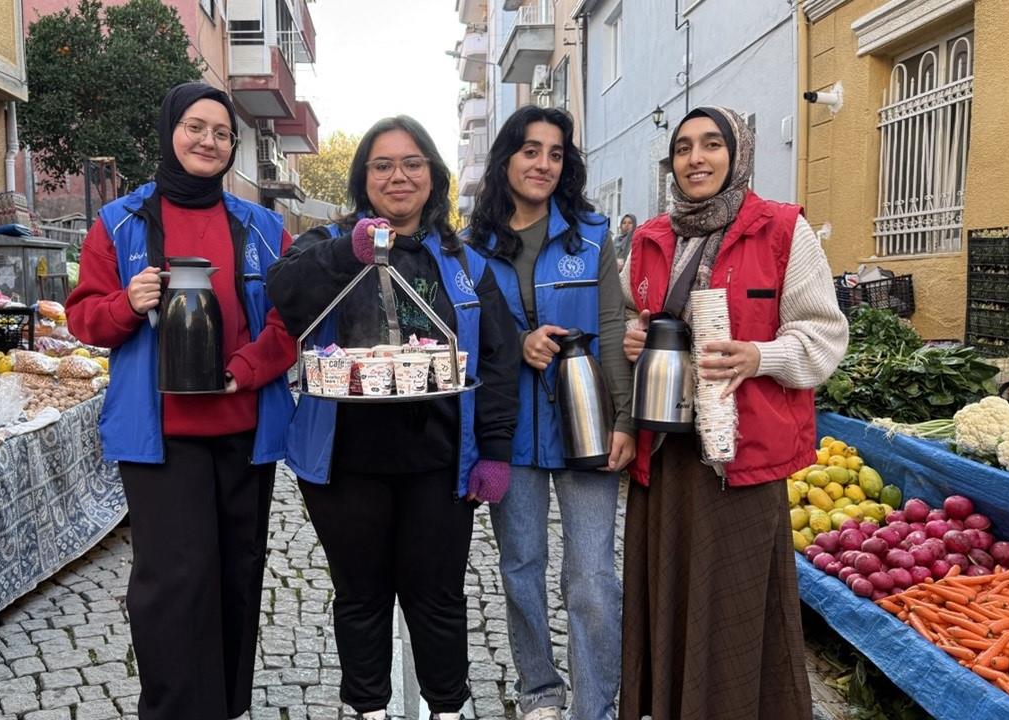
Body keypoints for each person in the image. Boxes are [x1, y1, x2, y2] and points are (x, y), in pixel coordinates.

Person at [266, 116, 520, 720]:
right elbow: (282, 291)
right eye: (382, 165)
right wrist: (343, 250)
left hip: (439, 460)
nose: (398, 176)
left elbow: (499, 361)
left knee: (437, 597)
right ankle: (367, 709)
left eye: (412, 163)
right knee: (361, 596)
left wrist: (496, 449)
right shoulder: (327, 241)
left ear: (433, 175)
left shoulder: (464, 263)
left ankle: (447, 708)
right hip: (343, 460)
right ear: (363, 178)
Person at [65, 82, 297, 720]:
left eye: (222, 134)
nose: (209, 141)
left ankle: (225, 706)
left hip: (244, 427)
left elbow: (288, 324)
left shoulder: (262, 226)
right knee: (173, 583)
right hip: (159, 434)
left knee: (237, 572)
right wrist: (125, 303)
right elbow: (84, 320)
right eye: (197, 127)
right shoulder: (120, 223)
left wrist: (246, 369)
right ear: (170, 131)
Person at [619, 106, 847, 719]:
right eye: (685, 146)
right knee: (673, 599)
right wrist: (634, 339)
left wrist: (758, 355)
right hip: (667, 459)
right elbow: (628, 316)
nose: (696, 158)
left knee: (739, 609)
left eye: (712, 144)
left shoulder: (780, 231)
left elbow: (824, 338)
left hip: (740, 463)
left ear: (737, 153)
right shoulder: (653, 239)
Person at [464, 105, 634, 720]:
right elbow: (470, 340)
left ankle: (594, 706)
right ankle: (540, 691)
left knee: (591, 579)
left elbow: (613, 328)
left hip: (587, 426)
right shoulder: (472, 247)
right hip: (511, 432)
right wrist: (517, 346)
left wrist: (627, 422)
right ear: (506, 157)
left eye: (555, 153)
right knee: (520, 569)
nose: (542, 163)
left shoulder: (591, 235)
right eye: (530, 150)